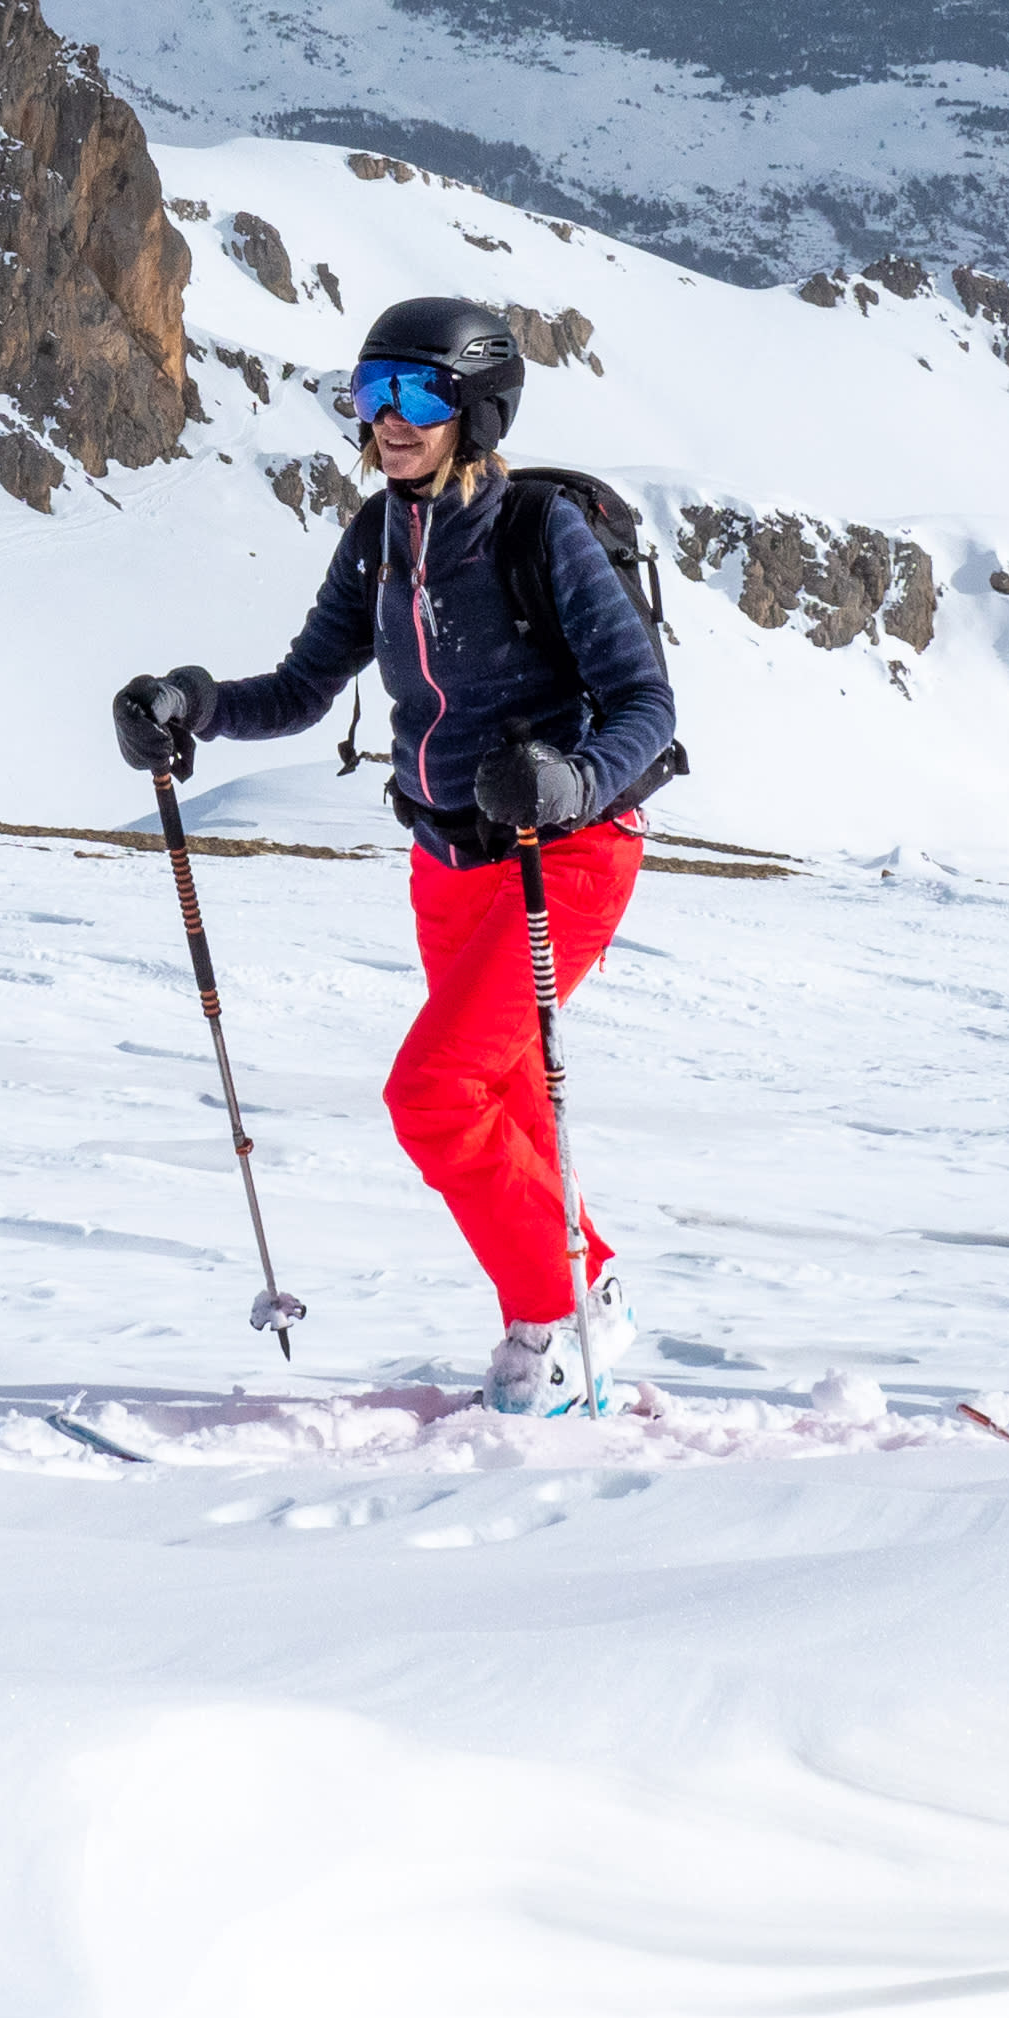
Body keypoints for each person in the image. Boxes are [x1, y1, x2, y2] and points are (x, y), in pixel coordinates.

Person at [114, 297, 680, 1412]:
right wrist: (191, 704)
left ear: (474, 407)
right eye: (371, 395)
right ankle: (591, 1282)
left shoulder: (536, 532)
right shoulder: (378, 536)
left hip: (555, 855)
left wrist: (572, 780)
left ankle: (552, 1319)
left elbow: (645, 705)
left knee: (436, 1094)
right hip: (444, 862)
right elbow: (300, 687)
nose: (389, 419)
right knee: (502, 1094)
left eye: (417, 395)